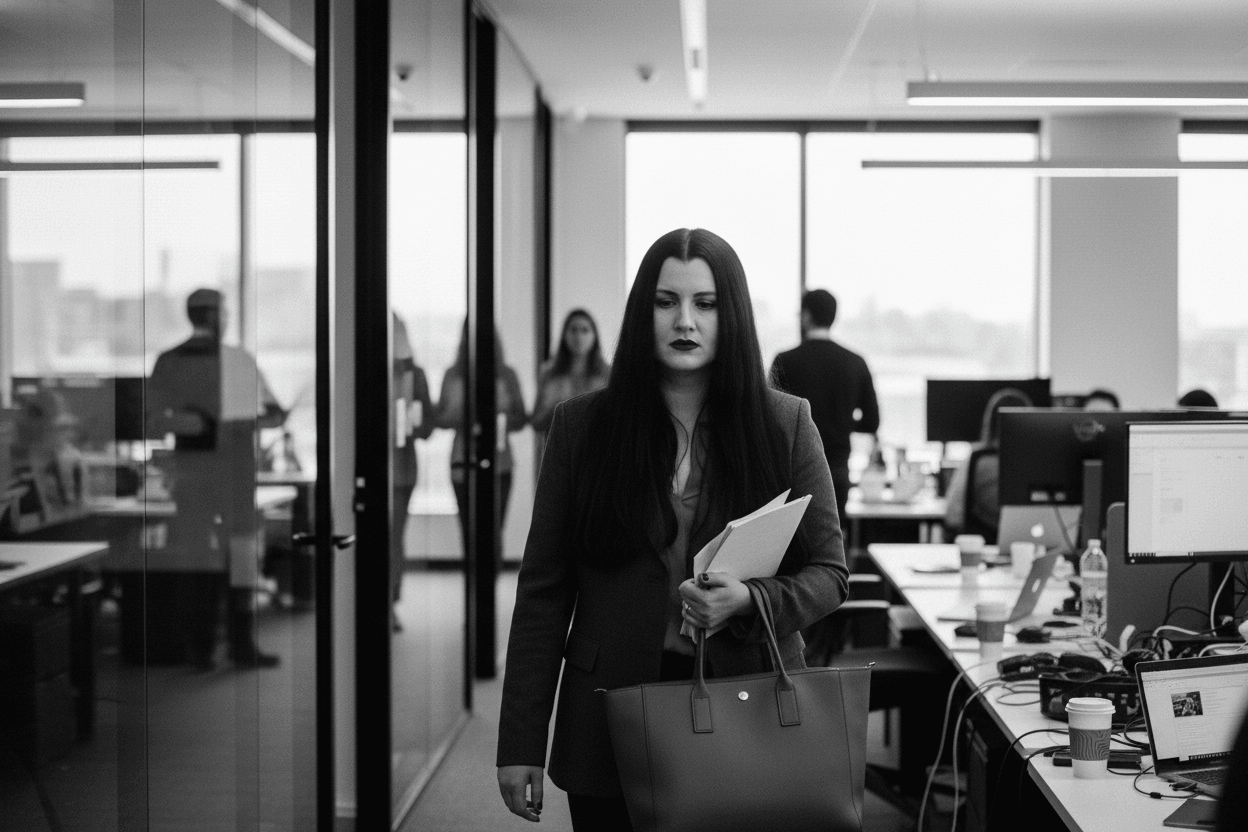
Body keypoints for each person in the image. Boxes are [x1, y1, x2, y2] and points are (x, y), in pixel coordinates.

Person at [496, 228, 850, 830]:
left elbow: (831, 573)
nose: (684, 320)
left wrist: (751, 599)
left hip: (746, 704)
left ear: (730, 313)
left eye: (705, 304)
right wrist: (520, 740)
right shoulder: (583, 428)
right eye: (666, 302)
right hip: (612, 707)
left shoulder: (784, 423)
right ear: (643, 311)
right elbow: (543, 595)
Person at [147, 288, 286, 669]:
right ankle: (240, 645)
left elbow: (152, 419)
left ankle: (199, 649)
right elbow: (271, 413)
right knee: (238, 557)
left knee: (195, 557)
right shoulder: (237, 361)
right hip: (234, 477)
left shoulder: (169, 362)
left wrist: (192, 422)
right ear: (218, 316)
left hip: (193, 477)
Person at [770, 288, 879, 523]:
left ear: (806, 316)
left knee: (791, 544)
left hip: (792, 469)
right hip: (837, 469)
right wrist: (842, 423)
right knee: (834, 539)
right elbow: (872, 421)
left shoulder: (785, 361)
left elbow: (769, 418)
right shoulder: (855, 362)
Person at [433, 323, 527, 554]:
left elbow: (521, 417)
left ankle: (489, 588)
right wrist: (461, 414)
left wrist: (497, 416)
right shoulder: (453, 374)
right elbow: (439, 419)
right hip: (461, 462)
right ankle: (475, 587)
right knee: (469, 532)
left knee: (493, 532)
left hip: (499, 463)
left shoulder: (506, 374)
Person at [943, 387, 1034, 541]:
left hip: (983, 546)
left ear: (990, 422)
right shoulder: (1037, 462)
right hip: (1027, 542)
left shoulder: (977, 459)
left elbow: (953, 515)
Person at [391, 311, 434, 632]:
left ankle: (389, 603)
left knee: (393, 538)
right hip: (365, 468)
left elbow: (427, 425)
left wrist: (411, 423)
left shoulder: (414, 375)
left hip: (402, 467)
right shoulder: (357, 366)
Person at [529, 308, 610, 437]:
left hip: (595, 448)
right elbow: (536, 423)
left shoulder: (607, 374)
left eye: (585, 330)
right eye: (573, 330)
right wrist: (555, 408)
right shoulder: (549, 373)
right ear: (564, 335)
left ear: (594, 336)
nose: (579, 336)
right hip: (557, 448)